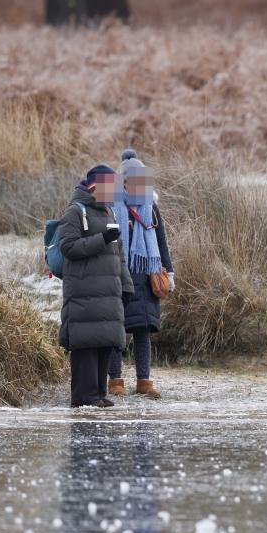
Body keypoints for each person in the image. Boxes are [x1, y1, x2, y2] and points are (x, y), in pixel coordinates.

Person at [58, 164, 133, 408]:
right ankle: (84, 397)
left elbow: (118, 253)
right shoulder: (74, 212)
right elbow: (68, 247)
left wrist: (126, 284)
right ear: (97, 187)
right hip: (83, 290)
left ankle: (99, 393)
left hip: (107, 291)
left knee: (103, 341)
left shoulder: (108, 213)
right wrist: (102, 240)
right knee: (86, 343)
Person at [107, 155, 174, 400]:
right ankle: (115, 380)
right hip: (119, 275)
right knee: (116, 332)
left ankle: (144, 381)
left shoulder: (151, 206)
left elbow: (161, 242)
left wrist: (169, 271)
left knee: (143, 331)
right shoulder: (112, 205)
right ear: (123, 181)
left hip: (146, 278)